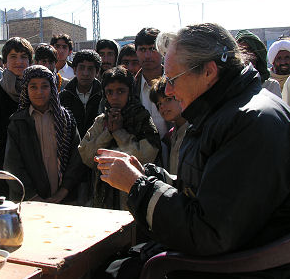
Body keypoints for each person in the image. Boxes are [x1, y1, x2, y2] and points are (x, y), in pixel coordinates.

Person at [96, 23, 290, 278]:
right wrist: (148, 177)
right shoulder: (225, 111)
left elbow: (207, 232)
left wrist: (136, 185)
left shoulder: (248, 122)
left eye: (173, 79)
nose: (168, 90)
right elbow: (212, 190)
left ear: (208, 72)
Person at [78, 66, 159, 209]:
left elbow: (147, 157)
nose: (114, 97)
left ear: (130, 92)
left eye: (121, 91)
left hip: (133, 197)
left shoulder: (142, 118)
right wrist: (107, 133)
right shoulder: (102, 121)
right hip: (102, 199)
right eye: (110, 92)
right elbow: (85, 155)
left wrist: (119, 133)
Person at [4, 65, 83, 203]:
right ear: (26, 90)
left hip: (64, 200)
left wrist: (62, 193)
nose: (39, 92)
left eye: (44, 86)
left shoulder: (66, 119)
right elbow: (13, 165)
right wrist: (34, 197)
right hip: (28, 201)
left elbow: (76, 159)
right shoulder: (18, 122)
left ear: (52, 89)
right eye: (33, 87)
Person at [0, 37, 33, 200]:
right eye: (13, 56)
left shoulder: (37, 96)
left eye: (24, 56)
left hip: (31, 174)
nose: (19, 61)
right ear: (4, 61)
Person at [59, 49, 102, 205]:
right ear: (74, 69)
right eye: (81, 68)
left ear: (97, 72)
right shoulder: (63, 97)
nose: (85, 73)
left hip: (97, 158)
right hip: (70, 158)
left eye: (90, 68)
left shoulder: (105, 95)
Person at [134, 27, 169, 165]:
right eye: (142, 50)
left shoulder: (178, 83)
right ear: (136, 52)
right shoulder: (130, 88)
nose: (148, 55)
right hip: (142, 160)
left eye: (152, 49)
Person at [149, 77, 188, 176]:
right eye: (159, 104)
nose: (162, 106)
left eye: (168, 99)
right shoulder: (170, 136)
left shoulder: (195, 131)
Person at [235, 30, 281, 97]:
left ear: (258, 55)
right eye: (242, 50)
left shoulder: (271, 85)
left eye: (250, 50)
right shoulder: (232, 86)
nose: (246, 55)